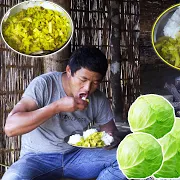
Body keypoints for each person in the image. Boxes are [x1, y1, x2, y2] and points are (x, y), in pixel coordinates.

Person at [2, 46, 127, 180]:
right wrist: (56, 107)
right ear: (69, 71)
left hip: (77, 156)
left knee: (125, 161)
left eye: (95, 82)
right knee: (13, 177)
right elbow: (10, 128)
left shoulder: (98, 98)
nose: (87, 88)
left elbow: (109, 130)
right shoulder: (44, 84)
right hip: (37, 158)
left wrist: (111, 138)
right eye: (83, 80)